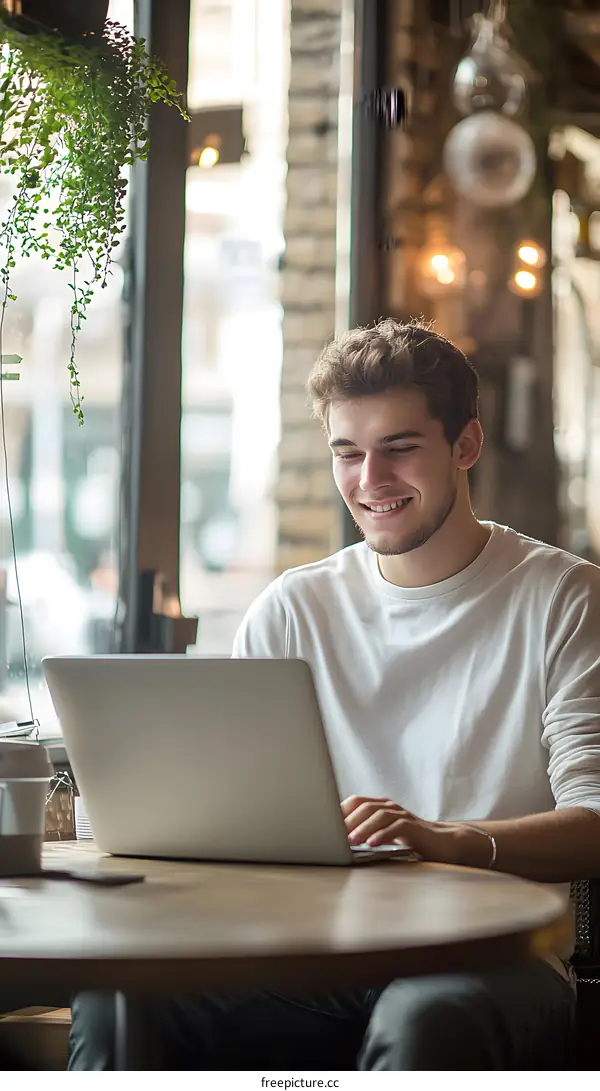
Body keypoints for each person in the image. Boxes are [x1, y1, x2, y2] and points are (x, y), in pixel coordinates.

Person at [69, 318, 600, 1070]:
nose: (369, 480)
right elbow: (230, 812)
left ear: (466, 445)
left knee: (427, 1021)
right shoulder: (292, 608)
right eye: (347, 453)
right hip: (318, 949)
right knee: (118, 1004)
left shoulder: (565, 597)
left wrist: (449, 840)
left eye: (400, 448)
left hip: (497, 957)